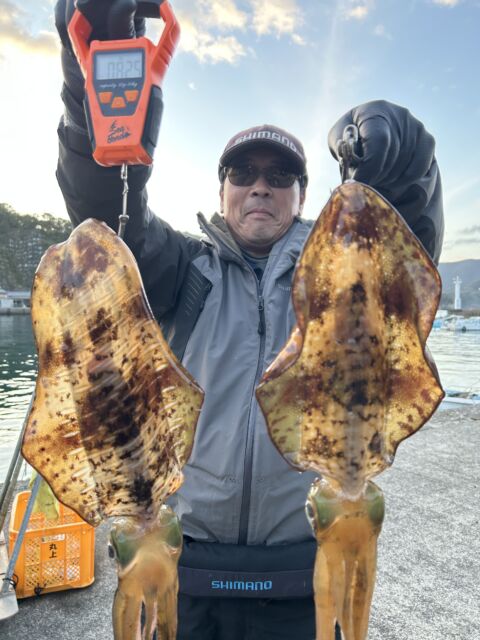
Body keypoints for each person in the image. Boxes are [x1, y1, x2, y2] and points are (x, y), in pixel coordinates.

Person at [54, 1, 444, 638]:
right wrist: (90, 86)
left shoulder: (337, 282)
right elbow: (101, 205)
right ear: (222, 191)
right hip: (186, 569)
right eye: (243, 172)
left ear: (300, 195)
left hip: (305, 569)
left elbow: (407, 265)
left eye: (280, 175)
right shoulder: (180, 270)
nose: (260, 186)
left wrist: (406, 164)